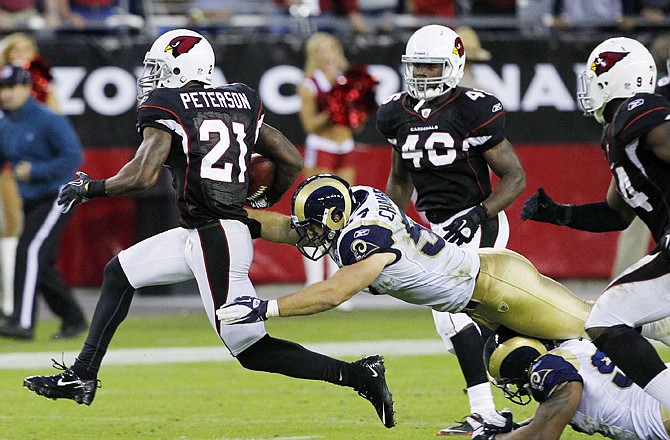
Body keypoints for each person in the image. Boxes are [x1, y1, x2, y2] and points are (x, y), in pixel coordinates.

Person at [21, 29, 395, 429]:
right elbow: (288, 156)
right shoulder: (240, 98)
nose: (153, 77)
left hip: (217, 237)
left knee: (250, 349)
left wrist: (90, 187)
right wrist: (262, 201)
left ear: (183, 68)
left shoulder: (168, 103)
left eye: (159, 68)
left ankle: (359, 375)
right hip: (202, 231)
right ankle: (82, 375)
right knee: (120, 271)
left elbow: (143, 174)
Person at [378, 24, 526, 435]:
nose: (423, 75)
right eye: (417, 67)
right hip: (437, 227)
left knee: (452, 314)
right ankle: (523, 377)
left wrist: (478, 214)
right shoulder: (395, 113)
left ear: (454, 65)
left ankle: (487, 411)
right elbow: (401, 179)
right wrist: (388, 225)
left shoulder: (472, 108)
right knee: (467, 322)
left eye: (431, 66)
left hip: (480, 222)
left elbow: (515, 177)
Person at [520, 36, 670, 409]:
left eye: (595, 77)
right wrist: (558, 213)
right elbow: (616, 214)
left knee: (607, 317)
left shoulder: (639, 110)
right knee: (607, 317)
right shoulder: (618, 132)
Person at [0, 65, 86, 340]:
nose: (6, 94)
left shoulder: (48, 119)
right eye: (2, 88)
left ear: (26, 88)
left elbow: (73, 157)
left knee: (29, 250)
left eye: (11, 87)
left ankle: (22, 322)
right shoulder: (5, 123)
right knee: (41, 261)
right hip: (32, 199)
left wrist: (35, 171)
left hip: (59, 195)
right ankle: (73, 318)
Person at [482, 332, 670, 439]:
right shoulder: (573, 345)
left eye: (512, 381)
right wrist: (513, 429)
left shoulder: (549, 369)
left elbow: (541, 436)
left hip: (662, 414)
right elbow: (547, 417)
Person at [298, 32, 358, 300]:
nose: (327, 54)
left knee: (344, 213)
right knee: (315, 211)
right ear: (314, 54)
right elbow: (310, 124)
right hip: (321, 147)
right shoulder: (310, 84)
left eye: (330, 48)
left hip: (344, 146)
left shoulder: (349, 81)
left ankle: (339, 281)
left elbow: (357, 121)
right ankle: (313, 280)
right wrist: (333, 109)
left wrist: (354, 109)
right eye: (320, 50)